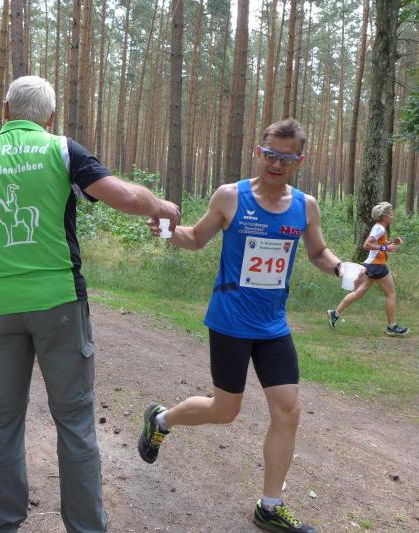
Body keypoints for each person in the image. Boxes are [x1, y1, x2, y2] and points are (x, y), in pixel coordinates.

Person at [0, 75, 180, 533]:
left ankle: (2, 525)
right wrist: (160, 206)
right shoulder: (62, 150)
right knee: (75, 422)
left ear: (5, 110)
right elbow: (125, 197)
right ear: (50, 117)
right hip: (61, 305)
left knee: (1, 423)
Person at [136, 119, 363, 533]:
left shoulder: (305, 206)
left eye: (286, 158)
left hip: (273, 325)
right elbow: (196, 238)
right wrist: (167, 232)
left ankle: (269, 507)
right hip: (230, 321)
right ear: (259, 153)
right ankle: (162, 419)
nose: (276, 164)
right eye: (270, 154)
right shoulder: (231, 196)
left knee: (289, 410)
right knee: (225, 410)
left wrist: (339, 267)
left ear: (300, 160)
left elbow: (318, 252)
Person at [328, 202, 408, 337]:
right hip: (377, 265)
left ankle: (334, 314)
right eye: (391, 214)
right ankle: (392, 326)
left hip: (372, 265)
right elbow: (366, 245)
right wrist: (385, 248)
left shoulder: (379, 228)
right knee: (391, 294)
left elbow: (379, 244)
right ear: (384, 216)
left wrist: (391, 243)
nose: (393, 216)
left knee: (359, 293)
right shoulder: (380, 228)